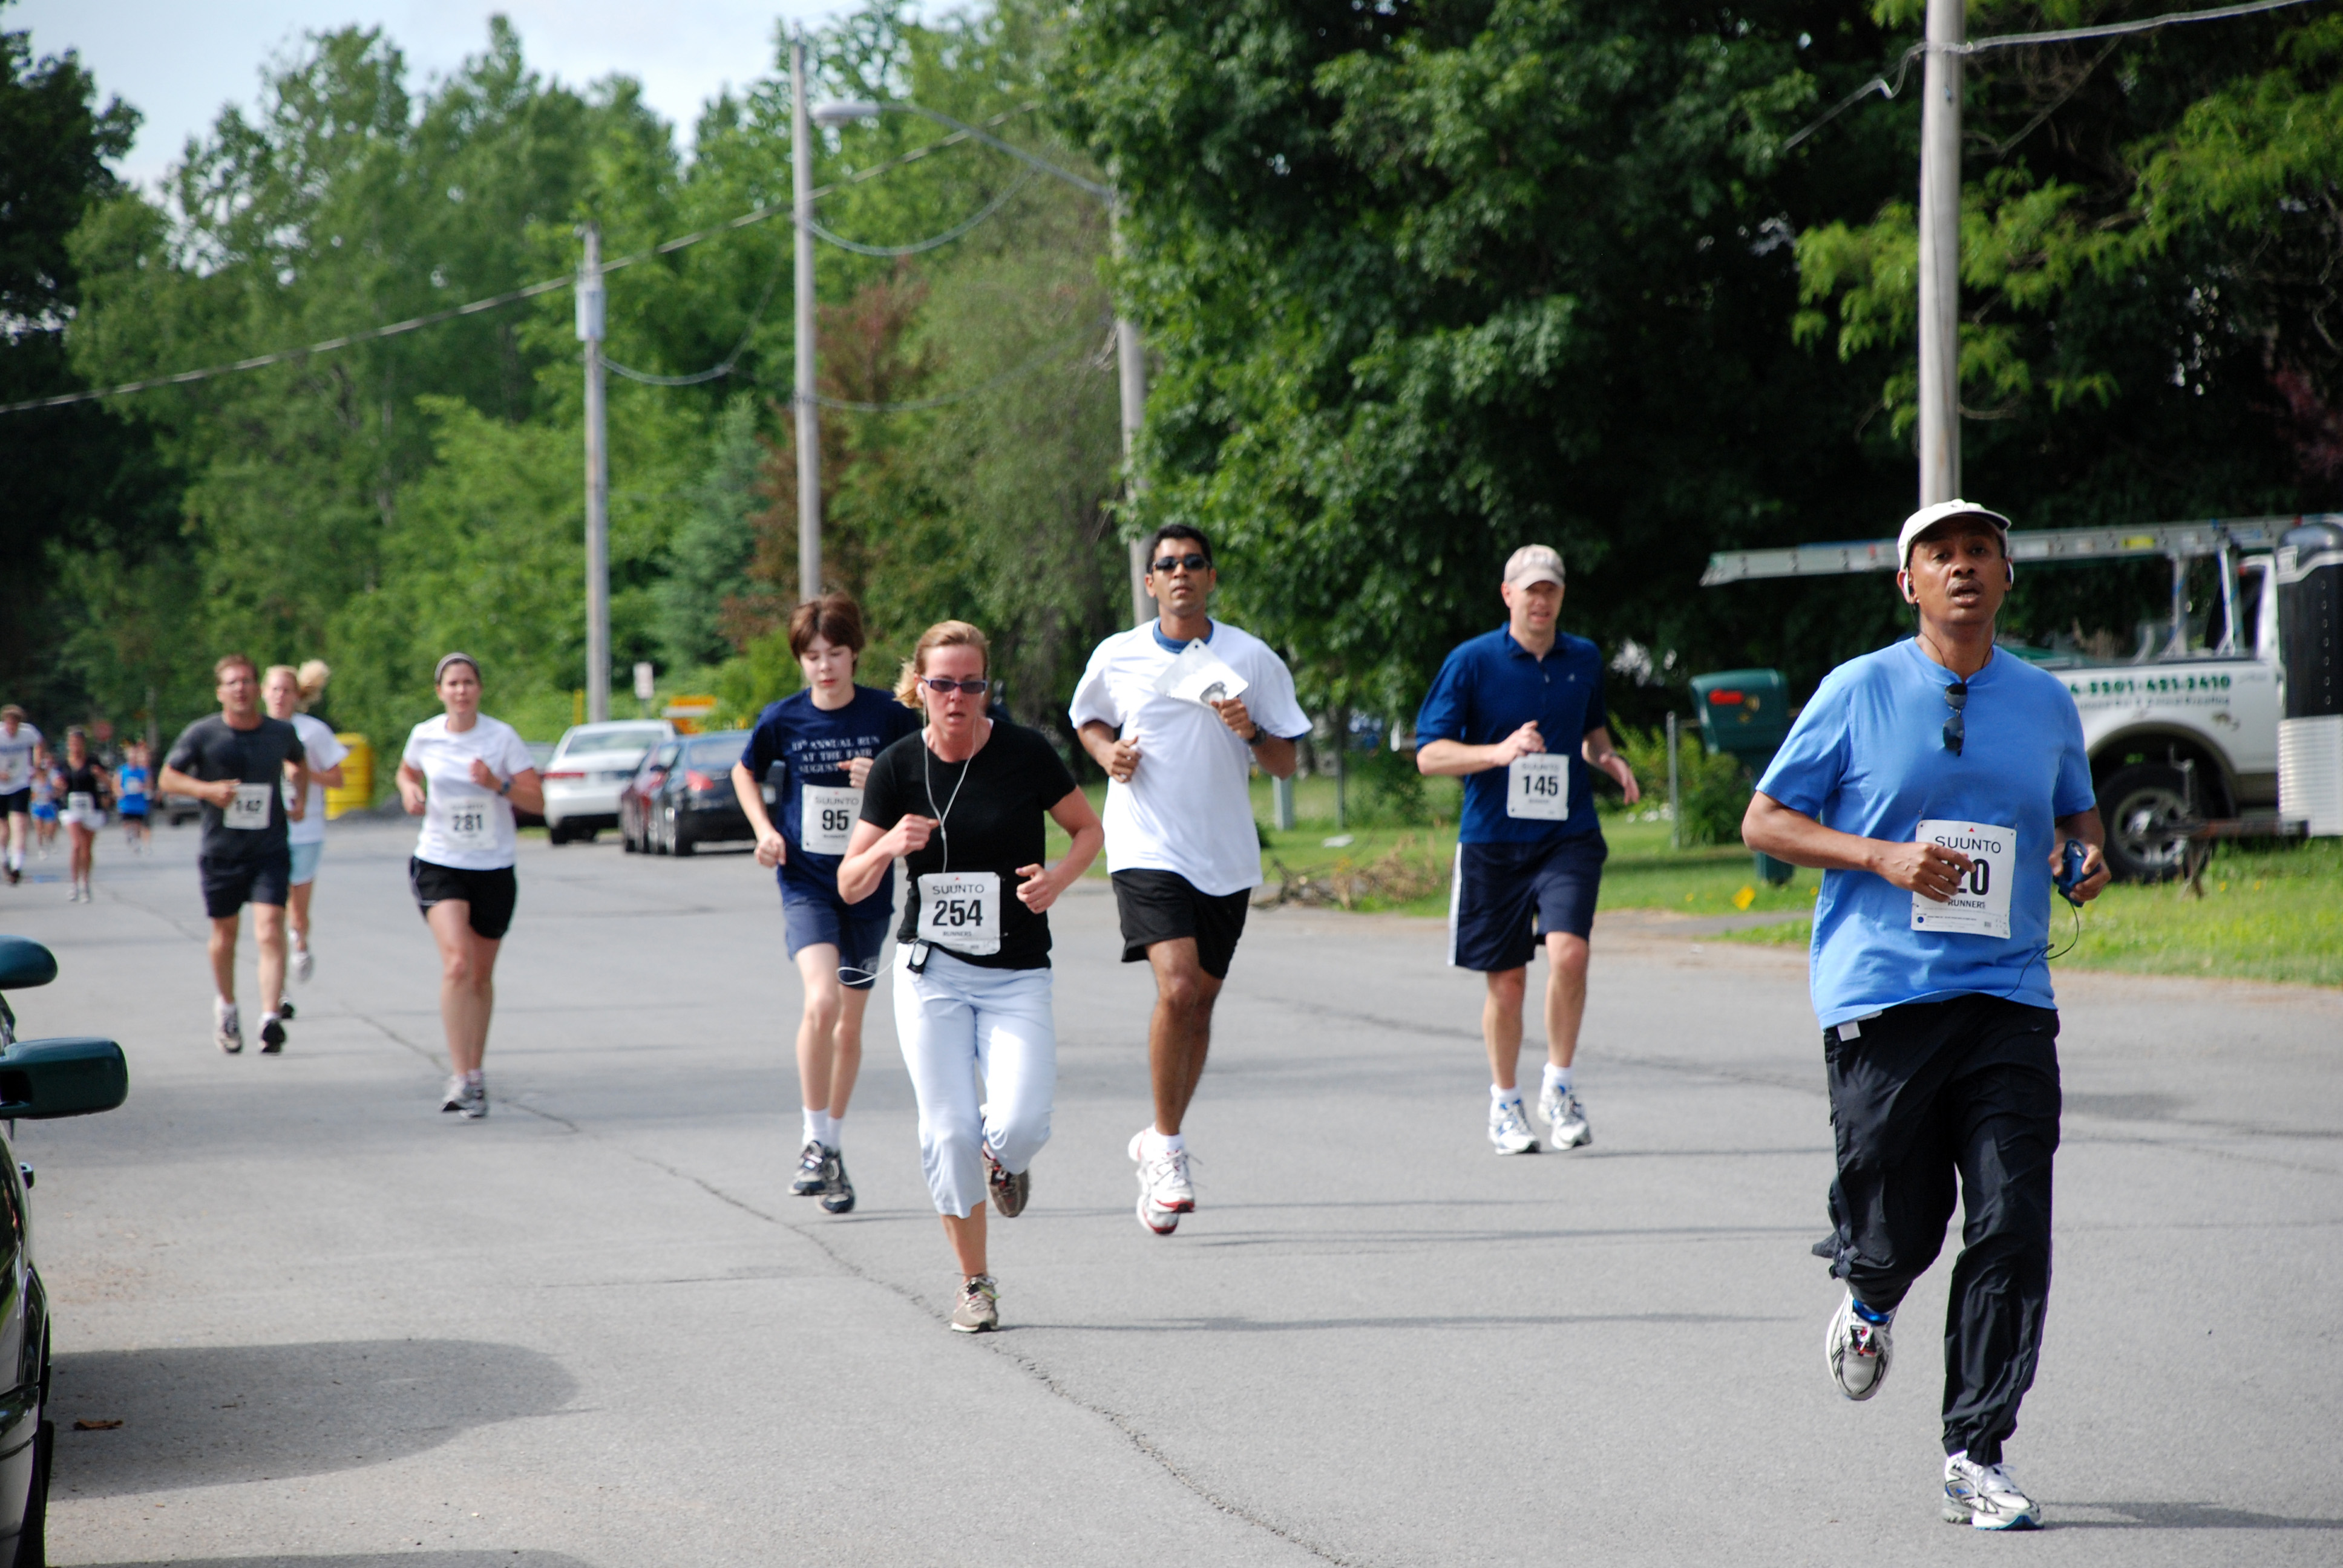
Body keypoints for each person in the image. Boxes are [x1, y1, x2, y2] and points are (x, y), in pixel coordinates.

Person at [1742, 500, 2108, 1532]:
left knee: (2009, 1221)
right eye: (1938, 555)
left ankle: (1973, 1450)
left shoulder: (2042, 700)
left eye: (1978, 553)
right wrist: (1880, 855)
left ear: (2004, 576)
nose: (1961, 569)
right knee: (1898, 1230)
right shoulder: (1856, 691)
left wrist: (2082, 854)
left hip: (2007, 994)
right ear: (1908, 583)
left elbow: (2073, 809)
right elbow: (1763, 819)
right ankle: (1867, 1295)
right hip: (1883, 993)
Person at [837, 622, 1103, 1331]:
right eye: (943, 683)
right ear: (918, 687)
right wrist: (891, 841)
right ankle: (974, 1283)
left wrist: (1056, 881)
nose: (957, 697)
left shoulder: (1023, 753)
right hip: (933, 975)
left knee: (1019, 1124)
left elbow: (1088, 831)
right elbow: (851, 883)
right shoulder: (897, 766)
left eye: (971, 683)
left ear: (987, 687)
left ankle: (1004, 1158)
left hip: (1017, 973)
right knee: (946, 1130)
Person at [1070, 525, 1310, 1235]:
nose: (1179, 574)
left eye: (1192, 564)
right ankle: (1168, 1151)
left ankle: (1156, 1133)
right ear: (1149, 583)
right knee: (1175, 988)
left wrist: (1247, 732)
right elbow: (1087, 718)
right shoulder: (1118, 654)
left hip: (1223, 855)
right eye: (1165, 565)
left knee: (1199, 1004)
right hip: (1145, 844)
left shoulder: (1249, 658)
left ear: (1211, 578)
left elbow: (1285, 763)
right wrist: (1107, 752)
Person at [1414, 545, 1641, 1155]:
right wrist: (1495, 752)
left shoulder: (1583, 658)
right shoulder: (1470, 662)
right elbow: (1428, 754)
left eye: (1551, 590)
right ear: (1507, 594)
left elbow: (1590, 732)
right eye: (1530, 589)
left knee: (1569, 955)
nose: (1541, 600)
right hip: (1492, 842)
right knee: (1507, 983)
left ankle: (1559, 1087)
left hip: (1566, 836)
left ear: (1560, 598)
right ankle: (1504, 1102)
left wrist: (1609, 760)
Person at [730, 594, 920, 1215]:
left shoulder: (888, 715)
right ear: (800, 661)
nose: (824, 667)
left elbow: (926, 779)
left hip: (866, 885)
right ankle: (813, 1142)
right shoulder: (782, 719)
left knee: (849, 1025)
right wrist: (763, 828)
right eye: (812, 657)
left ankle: (830, 1148)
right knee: (821, 1000)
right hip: (807, 881)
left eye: (834, 653)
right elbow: (743, 770)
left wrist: (885, 782)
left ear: (854, 652)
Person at [395, 653, 542, 1120]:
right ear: (440, 692)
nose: (461, 691)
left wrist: (497, 785)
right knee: (457, 963)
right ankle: (459, 1076)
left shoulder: (501, 738)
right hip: (440, 860)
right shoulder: (426, 735)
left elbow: (538, 800)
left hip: (493, 864)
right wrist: (408, 790)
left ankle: (476, 1075)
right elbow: (406, 770)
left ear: (479, 689)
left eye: (468, 683)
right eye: (452, 684)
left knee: (480, 975)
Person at [158, 655, 310, 1054]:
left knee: (270, 928)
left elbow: (299, 761)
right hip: (222, 852)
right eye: (232, 682)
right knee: (225, 937)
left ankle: (269, 1018)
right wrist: (208, 791)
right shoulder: (203, 734)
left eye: (247, 681)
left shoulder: (280, 732)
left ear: (258, 688)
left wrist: (299, 801)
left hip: (269, 850)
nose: (240, 688)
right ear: (220, 691)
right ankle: (226, 1006)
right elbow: (167, 777)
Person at [264, 662, 349, 985]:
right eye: (274, 689)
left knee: (296, 911)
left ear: (297, 695)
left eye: (286, 690)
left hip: (305, 831)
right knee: (272, 913)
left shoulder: (313, 731)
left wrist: (302, 772)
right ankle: (279, 988)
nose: (280, 696)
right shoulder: (253, 731)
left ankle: (300, 944)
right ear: (263, 693)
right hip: (265, 833)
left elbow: (339, 779)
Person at [56, 728, 113, 903]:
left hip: (91, 807)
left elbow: (108, 782)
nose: (75, 746)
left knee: (87, 848)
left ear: (83, 744)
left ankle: (85, 883)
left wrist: (101, 776)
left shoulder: (93, 761)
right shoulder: (64, 763)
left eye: (78, 743)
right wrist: (58, 786)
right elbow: (57, 785)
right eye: (72, 743)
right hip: (71, 807)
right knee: (76, 845)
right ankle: (74, 884)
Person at [0, 706, 45, 884]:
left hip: (20, 783)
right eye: (9, 723)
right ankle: (4, 860)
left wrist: (37, 762)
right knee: (3, 829)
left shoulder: (28, 733)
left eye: (15, 724)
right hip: (1, 786)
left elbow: (39, 743)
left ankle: (17, 866)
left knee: (20, 825)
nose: (12, 728)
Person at [116, 740, 152, 854]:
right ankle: (129, 836)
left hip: (138, 801)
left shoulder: (142, 771)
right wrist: (119, 792)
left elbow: (148, 784)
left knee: (138, 823)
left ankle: (136, 841)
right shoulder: (122, 770)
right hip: (126, 801)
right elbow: (116, 783)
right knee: (127, 822)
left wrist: (144, 788)